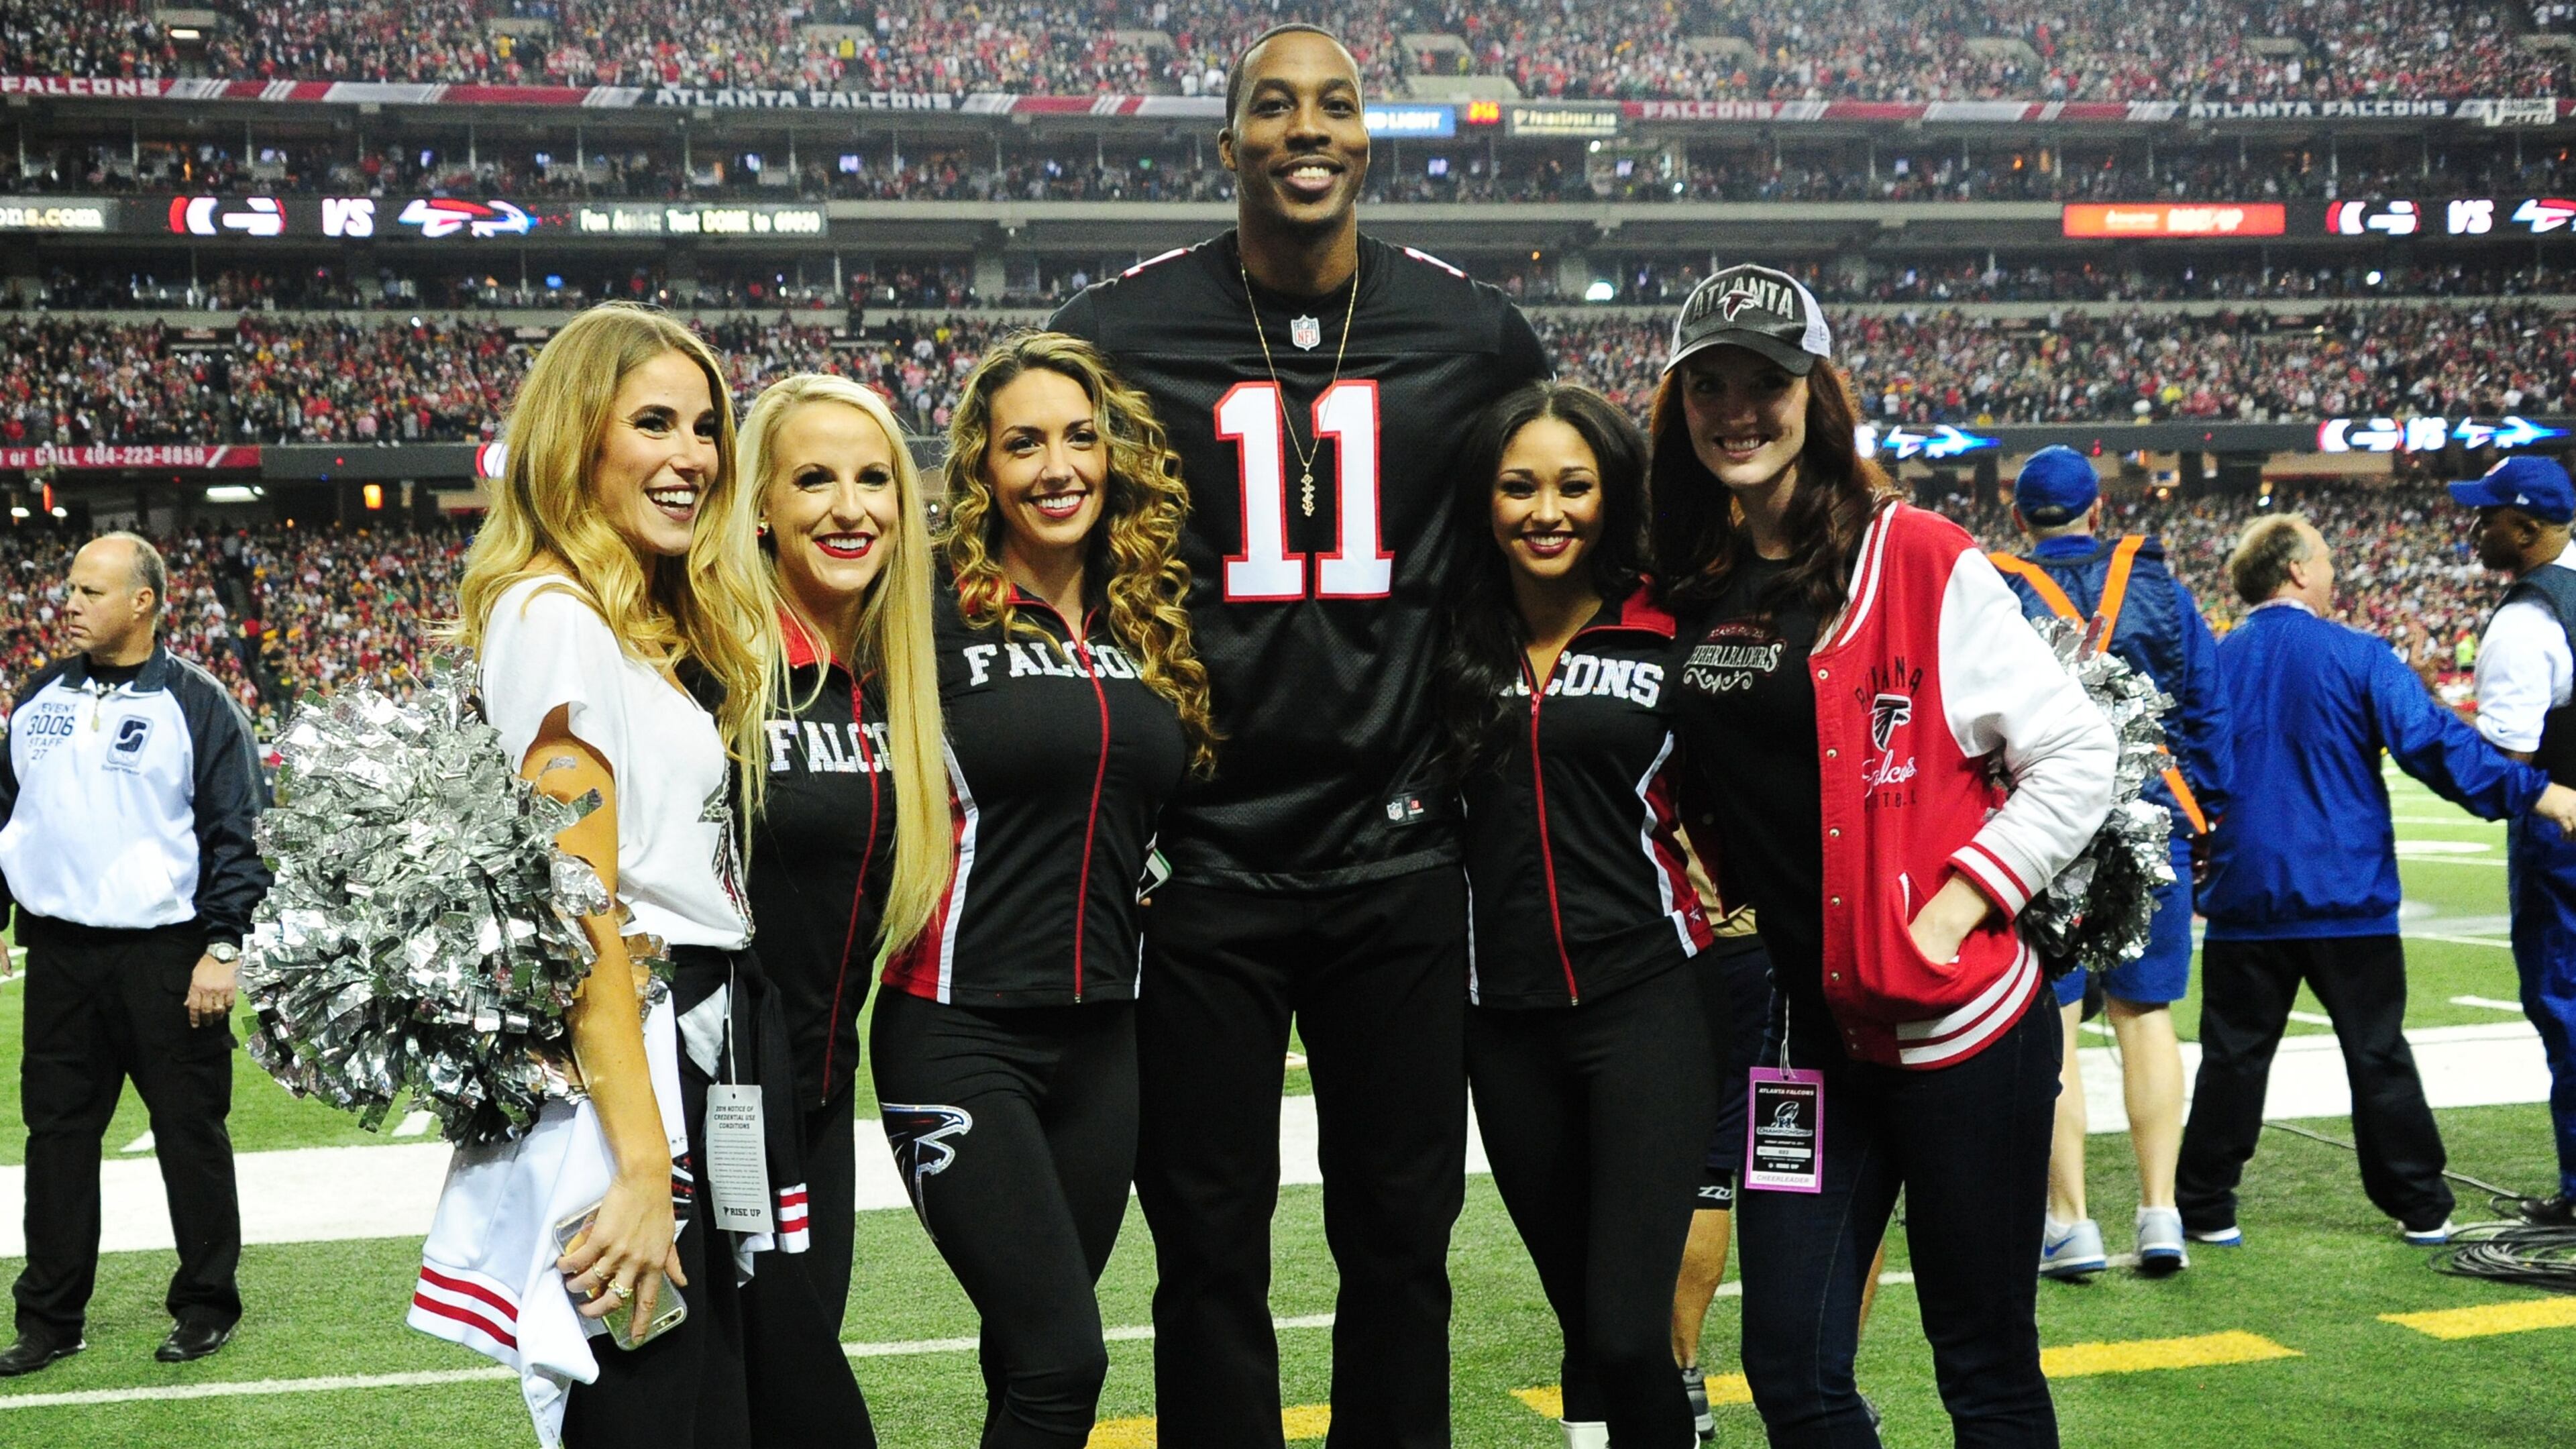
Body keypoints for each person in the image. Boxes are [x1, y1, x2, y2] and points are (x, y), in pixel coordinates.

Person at [1046, 23, 1549, 1448]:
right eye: (1273, 108)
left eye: (1334, 106)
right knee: (1208, 1246)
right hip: (1202, 867)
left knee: (1401, 1237)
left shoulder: (1474, 331)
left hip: (1398, 859)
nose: (1305, 129)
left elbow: (1564, 519)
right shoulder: (1117, 332)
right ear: (1228, 146)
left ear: (1368, 141)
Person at [1653, 262, 2116, 1447]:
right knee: (1791, 1367)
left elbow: (2074, 753)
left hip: (1958, 1028)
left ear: (1819, 392)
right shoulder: (1691, 579)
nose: (1737, 408)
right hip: (1806, 1037)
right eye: (1709, 383)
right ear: (1678, 403)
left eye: (1767, 380)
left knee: (1984, 1367)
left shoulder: (1917, 556)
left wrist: (1963, 904)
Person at [421, 302, 865, 1446]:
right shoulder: (556, 616)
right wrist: (640, 1168)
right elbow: (575, 910)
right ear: (579, 442)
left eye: (706, 426)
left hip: (708, 1046)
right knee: (666, 1413)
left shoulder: (633, 624)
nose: (693, 457)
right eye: (654, 423)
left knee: (762, 1401)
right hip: (648, 1063)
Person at [871, 332, 1210, 1448]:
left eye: (1080, 437)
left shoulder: (1143, 619)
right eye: (1024, 444)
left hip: (1105, 1045)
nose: (1057, 467)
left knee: (1023, 1358)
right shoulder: (924, 610)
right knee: (1067, 1362)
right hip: (959, 1032)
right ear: (983, 467)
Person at [1438, 382, 1716, 1448]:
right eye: (1518, 487)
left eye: (1573, 485)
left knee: (1631, 1328)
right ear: (1485, 499)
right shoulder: (1447, 639)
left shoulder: (1671, 625)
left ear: (1613, 496)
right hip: (1499, 1020)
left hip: (1650, 1002)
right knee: (1583, 1324)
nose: (1545, 510)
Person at [2176, 512, 2576, 1249]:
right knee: (2377, 1052)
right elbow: (2434, 744)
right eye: (2326, 559)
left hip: (2244, 896)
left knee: (2232, 1058)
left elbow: (2180, 770)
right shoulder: (2358, 654)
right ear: (2297, 571)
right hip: (2343, 897)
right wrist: (2538, 794)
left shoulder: (2215, 662)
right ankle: (2419, 1203)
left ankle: (2204, 1206)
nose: (2334, 574)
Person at [725, 373, 953, 1422]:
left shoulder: (889, 675)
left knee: (792, 1385)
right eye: (813, 479)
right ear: (759, 503)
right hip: (717, 1110)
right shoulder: (709, 661)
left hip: (821, 1101)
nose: (849, 507)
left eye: (875, 480)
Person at [0, 532, 267, 1375]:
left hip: (168, 955)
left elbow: (241, 835)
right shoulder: (38, 696)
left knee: (189, 1133)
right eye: (69, 590)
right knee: (57, 1139)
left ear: (144, 602)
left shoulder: (197, 702)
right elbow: (12, 823)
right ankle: (50, 1319)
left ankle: (204, 1304)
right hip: (61, 960)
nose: (67, 605)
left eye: (88, 591)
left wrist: (222, 947)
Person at [1988, 445, 2233, 1277]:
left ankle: (2072, 1222)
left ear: (2022, 518)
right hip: (2149, 816)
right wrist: (2207, 805)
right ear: (2098, 511)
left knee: (2050, 1021)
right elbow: (2206, 702)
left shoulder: (2000, 587)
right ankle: (2160, 1212)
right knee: (2146, 1014)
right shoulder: (2158, 583)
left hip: (2044, 825)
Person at [2451, 455, 2576, 1226]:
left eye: (2488, 516)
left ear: (2526, 529)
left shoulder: (2529, 619)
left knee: (2565, 1004)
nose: (2475, 527)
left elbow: (2508, 770)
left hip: (2563, 837)